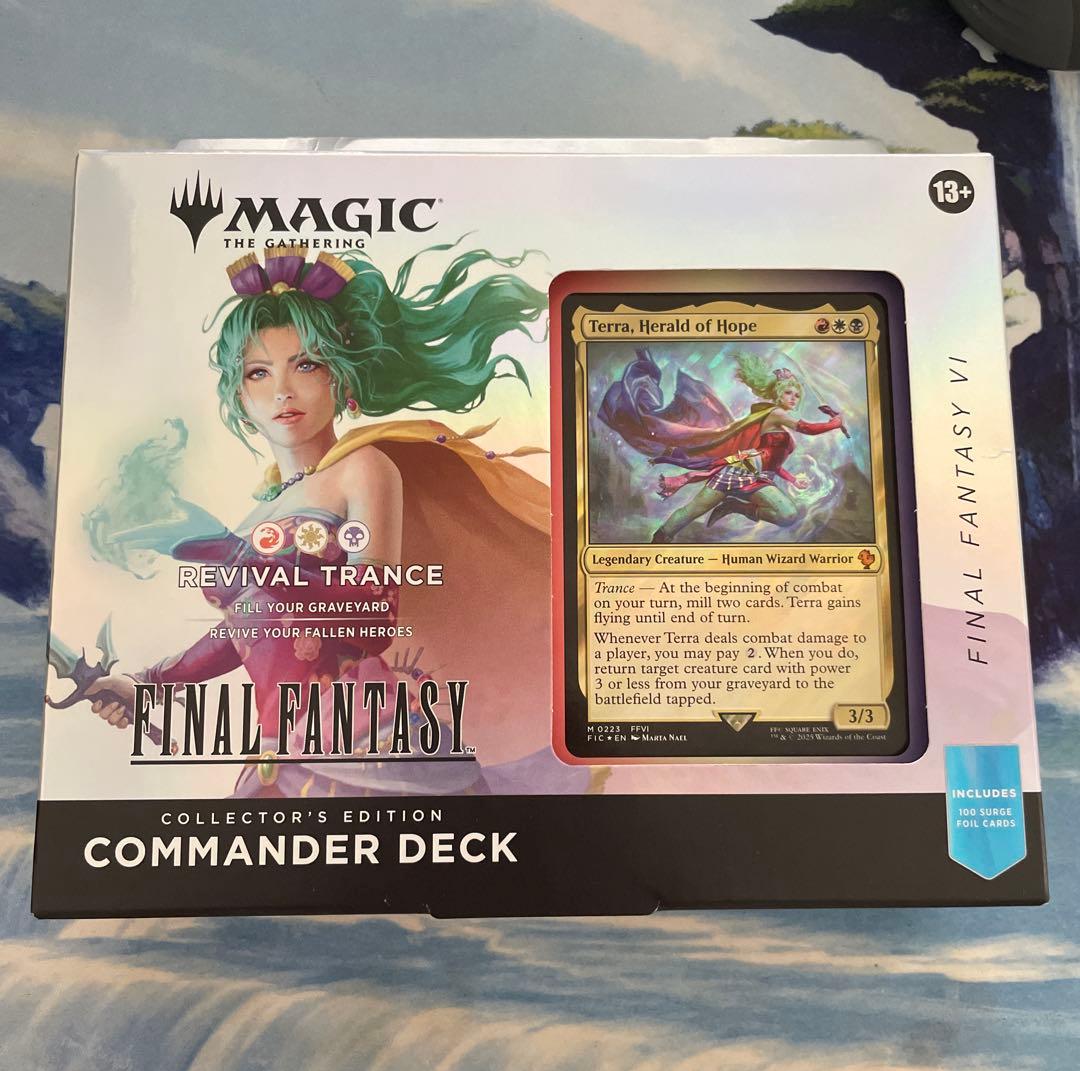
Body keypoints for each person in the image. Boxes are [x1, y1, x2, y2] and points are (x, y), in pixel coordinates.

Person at [81, 242, 573, 797]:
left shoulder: (363, 469)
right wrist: (148, 682)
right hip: (283, 748)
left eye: (306, 365)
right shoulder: (259, 514)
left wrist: (244, 560)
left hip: (367, 738)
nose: (282, 391)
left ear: (340, 377)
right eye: (259, 373)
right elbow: (249, 629)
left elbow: (374, 617)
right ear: (239, 397)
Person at [596, 348, 846, 543]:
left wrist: (792, 480)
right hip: (739, 472)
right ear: (778, 394)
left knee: (788, 514)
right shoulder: (775, 413)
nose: (793, 398)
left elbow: (771, 461)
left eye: (797, 395)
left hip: (756, 476)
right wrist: (834, 423)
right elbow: (808, 428)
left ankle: (735, 506)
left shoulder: (780, 427)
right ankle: (659, 540)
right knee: (693, 510)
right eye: (789, 393)